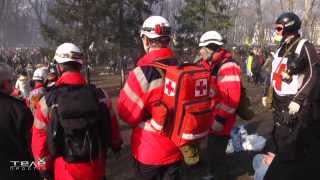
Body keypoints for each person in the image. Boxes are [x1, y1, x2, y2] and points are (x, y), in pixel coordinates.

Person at [32, 43, 122, 180]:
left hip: (64, 172)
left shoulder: (47, 101)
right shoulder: (101, 96)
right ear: (80, 66)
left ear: (58, 67)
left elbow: (39, 139)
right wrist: (116, 145)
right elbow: (113, 128)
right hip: (96, 169)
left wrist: (43, 168)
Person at [117, 16, 182, 180]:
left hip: (149, 150)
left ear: (146, 40)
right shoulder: (180, 67)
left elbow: (126, 113)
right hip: (177, 145)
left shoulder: (141, 73)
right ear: (168, 40)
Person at [262, 12, 320, 180]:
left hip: (293, 102)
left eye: (279, 28)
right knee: (280, 135)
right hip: (278, 102)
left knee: (292, 141)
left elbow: (312, 75)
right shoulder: (280, 48)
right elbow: (273, 73)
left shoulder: (304, 46)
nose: (277, 31)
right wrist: (267, 93)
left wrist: (298, 99)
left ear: (289, 27)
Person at [198, 31, 241, 180]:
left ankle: (219, 176)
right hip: (212, 118)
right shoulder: (211, 65)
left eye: (202, 47)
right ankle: (214, 173)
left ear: (211, 48)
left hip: (220, 121)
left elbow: (231, 99)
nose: (200, 51)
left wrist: (220, 120)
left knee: (217, 154)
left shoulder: (227, 66)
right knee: (212, 151)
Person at [0, 63, 40, 180]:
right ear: (4, 83)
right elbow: (33, 143)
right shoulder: (17, 109)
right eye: (10, 81)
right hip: (19, 170)